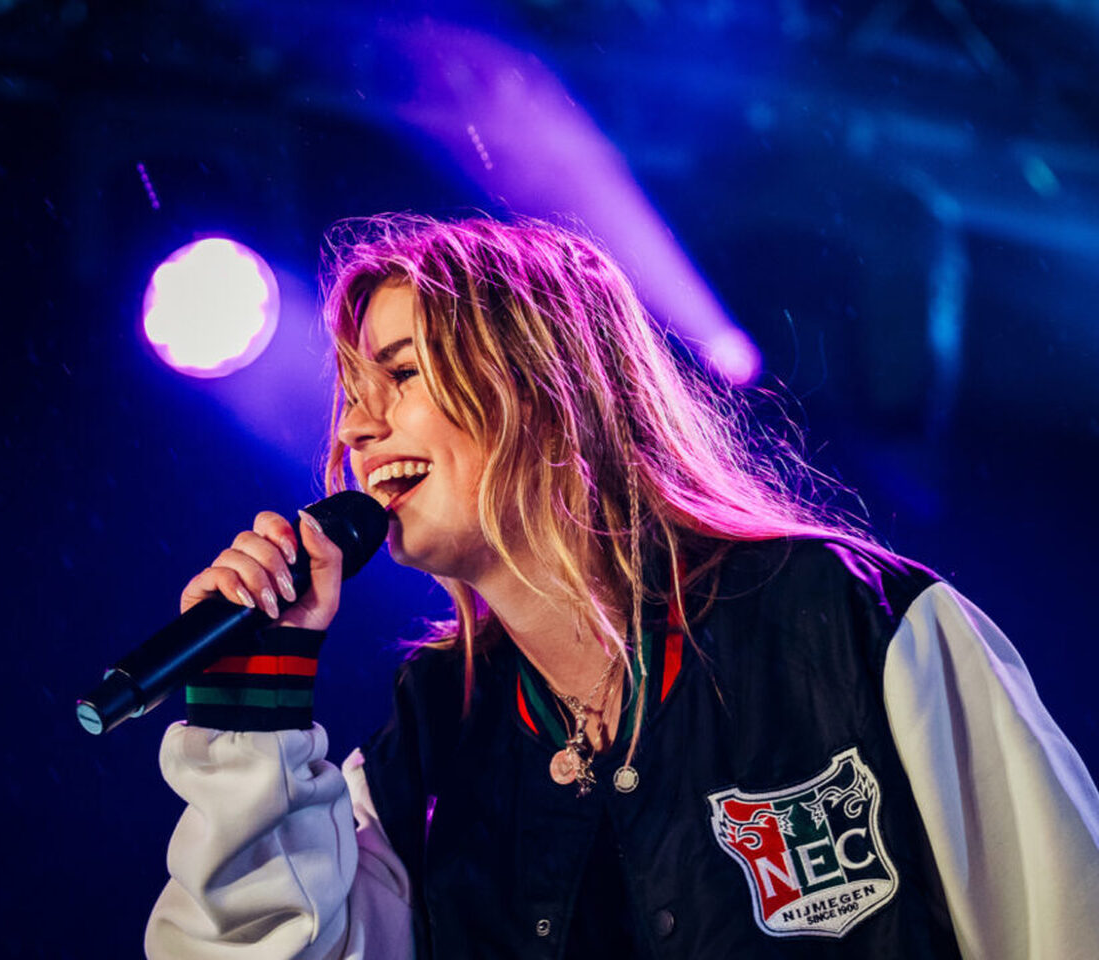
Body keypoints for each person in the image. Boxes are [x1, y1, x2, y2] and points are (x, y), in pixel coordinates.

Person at [144, 216, 1099, 959]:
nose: (358, 429)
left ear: (544, 384)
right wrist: (250, 715)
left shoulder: (852, 625)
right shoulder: (431, 740)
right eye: (354, 396)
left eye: (401, 374)